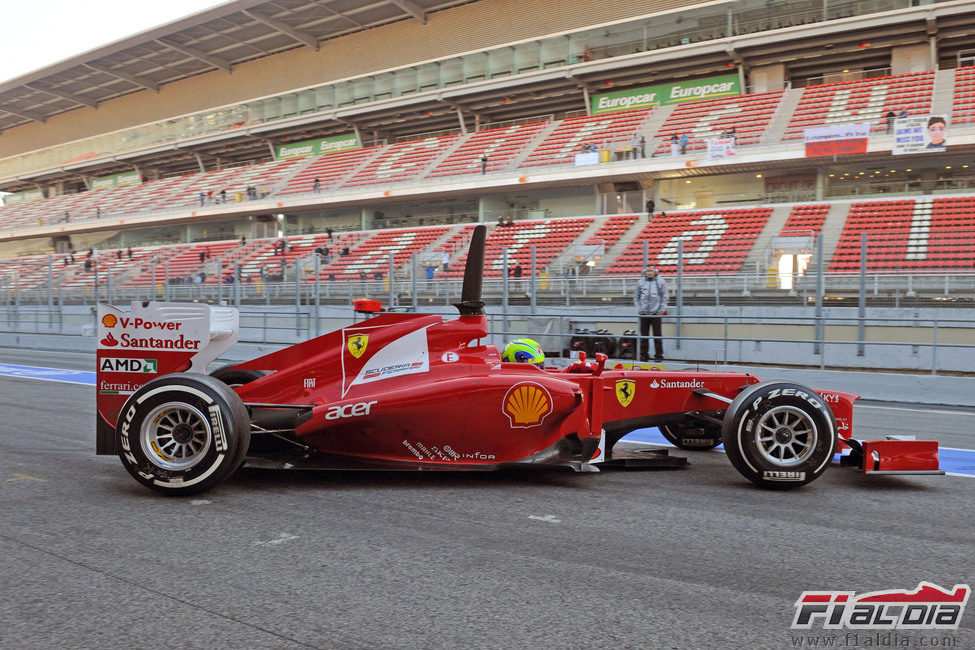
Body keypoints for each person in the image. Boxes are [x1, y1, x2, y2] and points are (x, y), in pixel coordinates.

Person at [634, 265, 667, 362]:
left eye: (651, 271)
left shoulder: (660, 282)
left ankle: (658, 356)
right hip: (644, 314)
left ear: (655, 271)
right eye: (647, 271)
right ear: (645, 272)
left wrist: (660, 311)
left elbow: (665, 297)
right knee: (644, 336)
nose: (649, 273)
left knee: (657, 336)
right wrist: (639, 310)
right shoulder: (640, 282)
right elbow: (636, 297)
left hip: (656, 313)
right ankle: (644, 355)